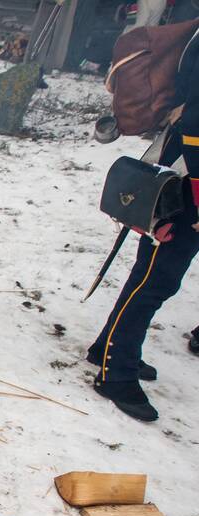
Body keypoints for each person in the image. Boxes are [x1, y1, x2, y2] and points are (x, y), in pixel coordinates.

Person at [86, 36, 198, 421]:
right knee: (155, 280)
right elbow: (196, 125)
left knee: (153, 278)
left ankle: (109, 348)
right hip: (182, 186)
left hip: (185, 182)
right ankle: (115, 374)